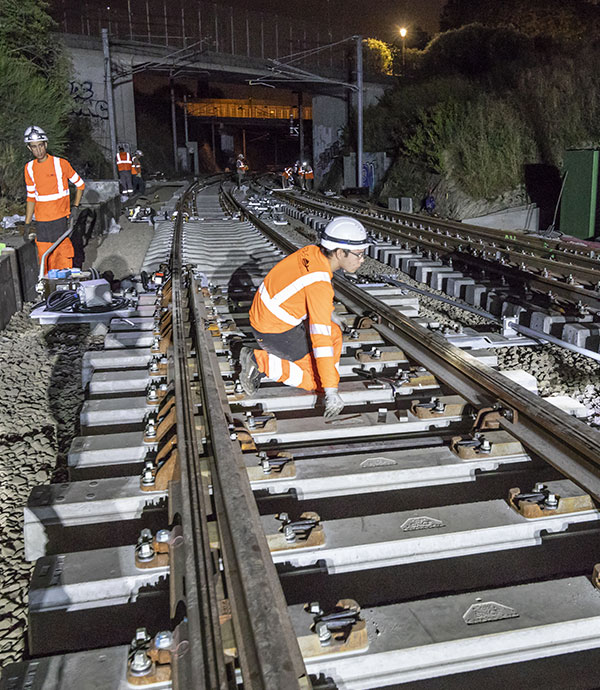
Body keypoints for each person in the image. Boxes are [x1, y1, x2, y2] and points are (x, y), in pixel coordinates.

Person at [239, 216, 370, 418]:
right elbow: (321, 340)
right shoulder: (319, 284)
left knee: (335, 332)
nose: (362, 260)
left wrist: (329, 312)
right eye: (358, 254)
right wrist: (330, 390)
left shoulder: (312, 253)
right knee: (315, 383)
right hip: (274, 330)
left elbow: (305, 286)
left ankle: (325, 373)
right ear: (339, 252)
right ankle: (258, 360)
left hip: (269, 313)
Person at [23, 125, 85, 272]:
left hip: (59, 219)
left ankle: (66, 287)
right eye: (34, 147)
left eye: (40, 145)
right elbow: (31, 197)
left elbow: (80, 185)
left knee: (62, 254)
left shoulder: (60, 164)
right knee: (45, 256)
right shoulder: (29, 168)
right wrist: (27, 224)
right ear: (29, 148)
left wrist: (75, 207)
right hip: (42, 222)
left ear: (46, 144)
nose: (38, 150)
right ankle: (49, 288)